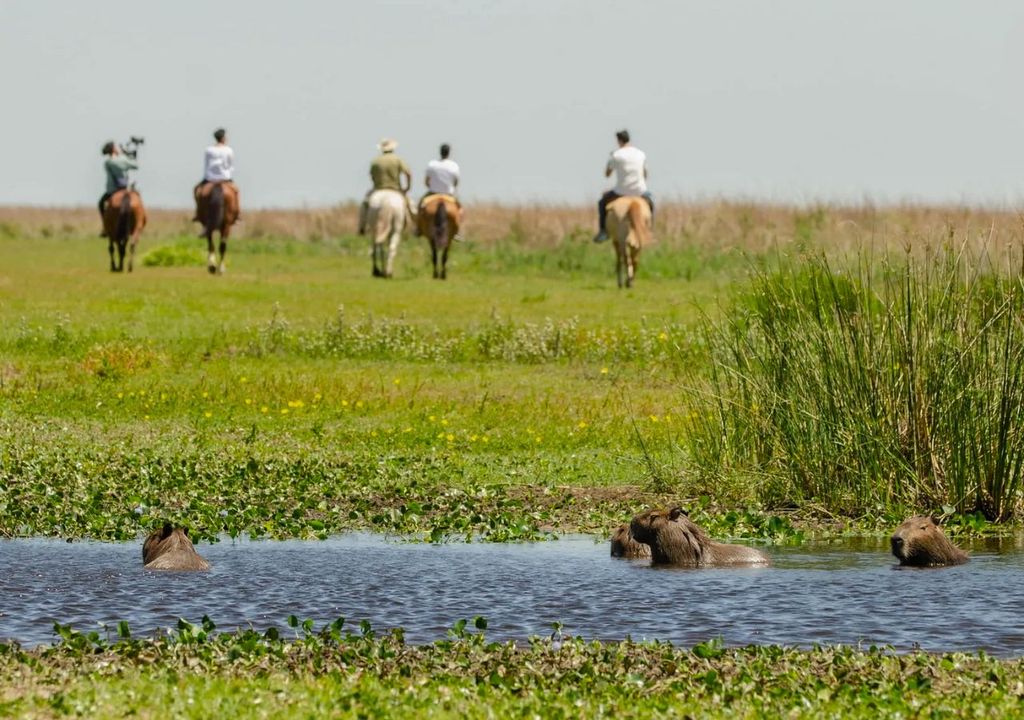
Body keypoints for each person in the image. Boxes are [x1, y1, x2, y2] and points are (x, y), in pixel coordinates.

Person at [593, 129, 654, 243]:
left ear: (618, 141)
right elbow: (645, 174)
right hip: (640, 190)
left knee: (602, 203)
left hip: (621, 191)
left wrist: (611, 159)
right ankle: (650, 229)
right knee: (651, 203)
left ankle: (603, 231)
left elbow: (607, 174)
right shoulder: (641, 154)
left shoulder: (616, 155)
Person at [359, 138, 412, 235]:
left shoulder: (375, 161)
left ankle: (362, 227)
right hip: (395, 189)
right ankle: (413, 226)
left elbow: (372, 175)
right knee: (411, 207)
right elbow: (408, 173)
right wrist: (407, 187)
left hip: (378, 189)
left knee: (365, 205)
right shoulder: (397, 159)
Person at [193, 128, 237, 221]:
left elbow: (206, 164)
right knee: (236, 192)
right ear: (223, 138)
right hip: (225, 178)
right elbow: (230, 166)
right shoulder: (228, 150)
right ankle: (237, 213)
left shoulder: (208, 150)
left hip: (210, 178)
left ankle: (198, 213)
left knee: (196, 190)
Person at [98, 141, 137, 236]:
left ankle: (105, 226)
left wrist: (126, 155)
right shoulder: (118, 160)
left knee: (101, 204)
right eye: (116, 147)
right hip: (124, 187)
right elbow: (135, 165)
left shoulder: (108, 162)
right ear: (113, 149)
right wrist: (128, 155)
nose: (118, 148)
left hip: (112, 190)